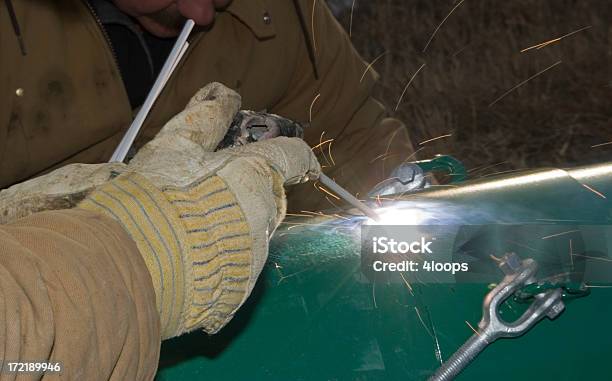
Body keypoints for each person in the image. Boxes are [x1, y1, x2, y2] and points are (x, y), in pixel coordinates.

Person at [0, 0, 414, 379]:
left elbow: (355, 141)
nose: (201, 11)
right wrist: (130, 252)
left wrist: (433, 235)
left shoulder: (282, 12)